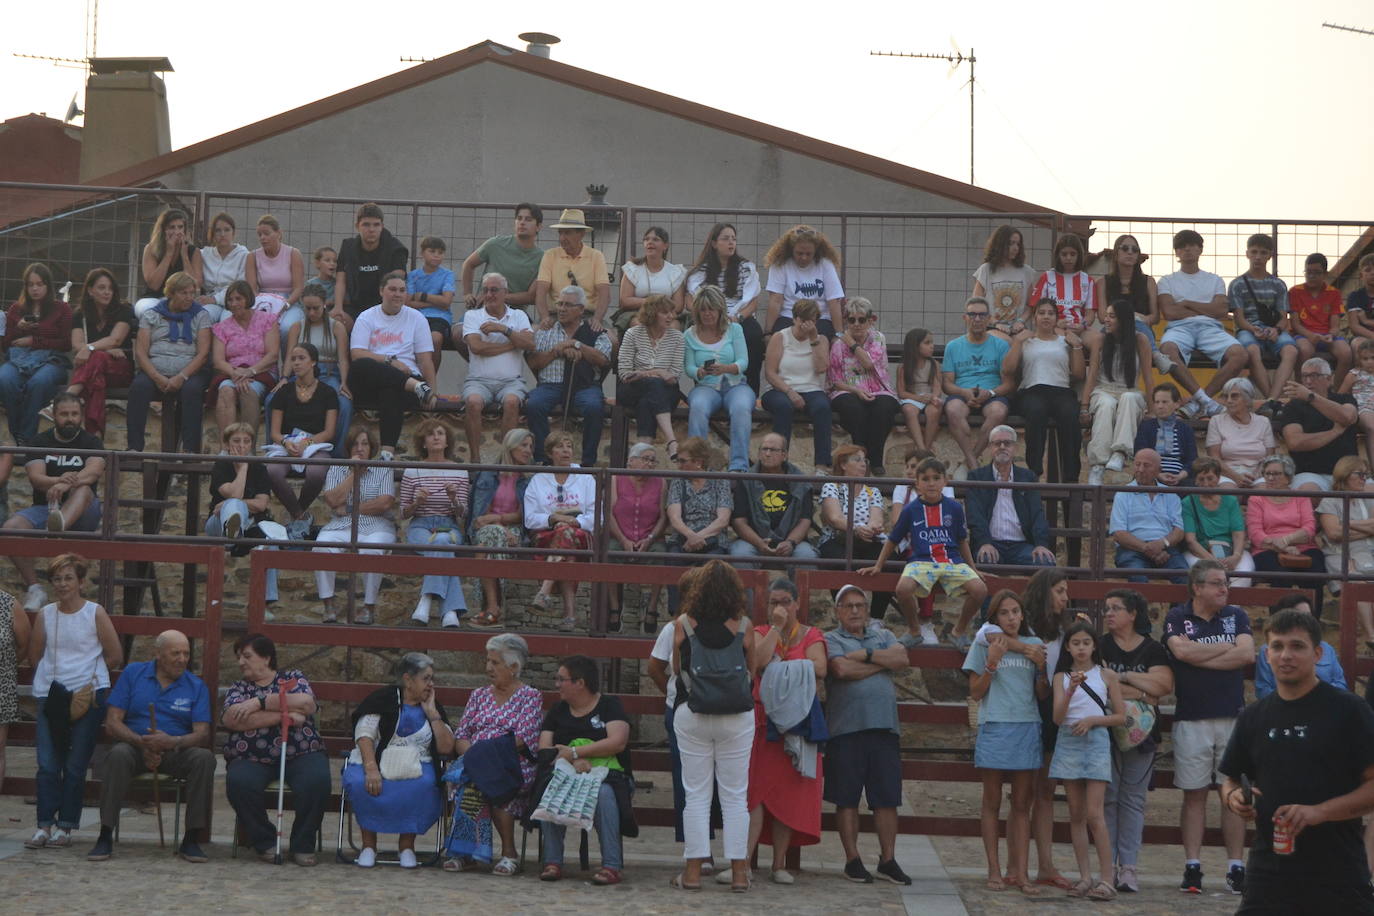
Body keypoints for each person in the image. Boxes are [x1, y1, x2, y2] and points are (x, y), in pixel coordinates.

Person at [1220, 609, 1374, 914]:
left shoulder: (1349, 711)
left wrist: (1320, 812)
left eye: (1297, 646)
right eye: (1277, 646)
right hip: (1268, 872)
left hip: (1337, 872)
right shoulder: (1253, 716)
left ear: (1317, 653)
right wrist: (1234, 798)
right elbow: (1232, 779)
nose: (1285, 655)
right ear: (1266, 654)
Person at [664, 560, 758, 892]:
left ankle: (691, 873)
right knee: (735, 796)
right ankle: (738, 874)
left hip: (694, 713)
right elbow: (752, 672)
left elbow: (677, 672)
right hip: (736, 716)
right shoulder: (745, 625)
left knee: (697, 795)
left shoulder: (682, 625)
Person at [1164, 558, 1253, 895]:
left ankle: (1235, 867)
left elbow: (1246, 654)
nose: (1224, 589)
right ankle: (1193, 866)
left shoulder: (1237, 615)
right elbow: (1181, 652)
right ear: (1197, 588)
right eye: (1217, 583)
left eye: (1226, 583)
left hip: (1231, 717)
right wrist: (1225, 648)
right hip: (1192, 717)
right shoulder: (1177, 616)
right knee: (1194, 795)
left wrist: (1201, 653)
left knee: (1232, 794)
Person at [86, 629, 214, 864]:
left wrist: (172, 742)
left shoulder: (196, 685)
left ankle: (192, 838)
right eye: (175, 653)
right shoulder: (134, 674)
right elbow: (113, 723)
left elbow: (202, 733)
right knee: (117, 755)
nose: (182, 659)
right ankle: (105, 833)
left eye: (186, 653)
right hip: (134, 747)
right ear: (158, 654)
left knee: (204, 758)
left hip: (176, 751)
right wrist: (142, 743)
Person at [24, 553, 121, 851]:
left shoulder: (95, 613)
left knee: (77, 765)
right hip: (51, 695)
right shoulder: (46, 615)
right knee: (47, 764)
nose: (63, 584)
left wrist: (89, 677)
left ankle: (66, 826)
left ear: (80, 582)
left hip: (88, 694)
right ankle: (44, 825)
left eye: (68, 578)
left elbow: (114, 654)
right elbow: (34, 654)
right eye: (57, 579)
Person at [824, 583, 913, 886]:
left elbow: (902, 659)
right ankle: (852, 860)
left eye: (859, 605)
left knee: (887, 798)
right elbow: (841, 671)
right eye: (848, 606)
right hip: (846, 729)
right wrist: (880, 664)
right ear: (837, 611)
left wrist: (866, 654)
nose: (854, 611)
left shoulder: (884, 636)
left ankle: (888, 860)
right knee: (846, 798)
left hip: (884, 727)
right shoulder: (830, 638)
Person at [962, 590, 1047, 896]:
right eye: (1004, 613)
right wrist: (992, 664)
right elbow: (975, 692)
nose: (1011, 618)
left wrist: (1040, 669)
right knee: (991, 802)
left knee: (1023, 804)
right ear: (994, 618)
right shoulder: (985, 644)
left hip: (1026, 725)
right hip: (995, 724)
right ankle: (994, 870)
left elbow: (1042, 695)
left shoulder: (1035, 646)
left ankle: (1021, 873)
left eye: (1015, 611)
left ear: (1023, 614)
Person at [220, 633, 328, 866]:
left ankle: (303, 843)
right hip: (252, 757)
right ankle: (265, 841)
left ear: (266, 657)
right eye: (239, 657)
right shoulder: (239, 688)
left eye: (247, 656)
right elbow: (233, 720)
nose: (241, 662)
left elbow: (307, 704)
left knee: (317, 781)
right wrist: (285, 715)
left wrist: (258, 703)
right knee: (239, 782)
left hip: (300, 751)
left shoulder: (293, 678)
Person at [746, 578, 827, 884]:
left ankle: (779, 863)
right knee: (756, 795)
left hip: (798, 722)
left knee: (788, 795)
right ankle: (745, 863)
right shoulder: (761, 632)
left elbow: (820, 667)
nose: (778, 607)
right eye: (772, 602)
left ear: (796, 604)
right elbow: (757, 662)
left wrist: (779, 670)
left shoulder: (811, 634)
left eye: (783, 602)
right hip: (763, 723)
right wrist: (777, 631)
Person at [860, 456, 987, 649]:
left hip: (951, 560)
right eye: (925, 479)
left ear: (945, 481)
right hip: (921, 561)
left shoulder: (954, 508)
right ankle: (914, 630)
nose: (931, 483)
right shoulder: (911, 509)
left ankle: (958, 631)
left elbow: (962, 539)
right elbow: (893, 539)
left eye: (936, 478)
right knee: (903, 589)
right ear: (917, 484)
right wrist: (879, 565)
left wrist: (973, 568)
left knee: (980, 590)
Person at [344, 652, 454, 868]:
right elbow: (364, 734)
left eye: (432, 679)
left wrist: (432, 712)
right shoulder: (382, 699)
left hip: (418, 762)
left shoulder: (433, 706)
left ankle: (406, 846)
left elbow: (446, 747)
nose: (431, 684)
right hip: (376, 759)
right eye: (426, 678)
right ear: (408, 679)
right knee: (360, 782)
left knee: (424, 784)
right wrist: (371, 767)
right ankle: (368, 845)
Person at [448, 634, 543, 876]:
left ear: (513, 667)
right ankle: (465, 853)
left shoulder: (530, 697)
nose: (488, 667)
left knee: (498, 785)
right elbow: (462, 735)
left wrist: (485, 758)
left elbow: (523, 739)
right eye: (488, 661)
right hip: (475, 761)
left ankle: (509, 854)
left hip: (512, 764)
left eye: (495, 662)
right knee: (470, 781)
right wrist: (475, 758)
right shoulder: (479, 695)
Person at [537, 654, 634, 885]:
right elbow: (545, 748)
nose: (557, 684)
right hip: (566, 775)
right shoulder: (558, 710)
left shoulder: (609, 706)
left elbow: (617, 741)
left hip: (609, 777)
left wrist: (578, 752)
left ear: (580, 683)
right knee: (551, 787)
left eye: (562, 679)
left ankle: (611, 865)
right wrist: (572, 761)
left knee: (603, 794)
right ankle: (552, 861)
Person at [1099, 588, 1173, 894]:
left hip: (1143, 736)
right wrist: (1144, 691)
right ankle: (1108, 867)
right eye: (1106, 608)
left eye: (1116, 608)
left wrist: (1123, 678)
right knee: (1109, 798)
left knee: (1133, 800)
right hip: (1105, 732)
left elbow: (1164, 687)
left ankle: (1128, 867)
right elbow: (1098, 685)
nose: (1108, 613)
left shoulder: (1153, 649)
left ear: (1133, 614)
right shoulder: (1099, 646)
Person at [3, 394, 104, 611]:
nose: (70, 419)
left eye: (74, 414)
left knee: (84, 489)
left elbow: (93, 472)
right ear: (54, 415)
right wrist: (58, 480)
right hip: (47, 508)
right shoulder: (40, 442)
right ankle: (35, 588)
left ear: (81, 416)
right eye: (64, 414)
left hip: (83, 510)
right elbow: (37, 479)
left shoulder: (91, 441)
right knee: (10, 530)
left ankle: (56, 528)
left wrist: (66, 485)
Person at [1049, 622, 1126, 900]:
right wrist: (1071, 689)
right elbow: (1058, 717)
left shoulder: (1106, 675)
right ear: (1068, 647)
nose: (1081, 648)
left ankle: (1107, 879)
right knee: (1076, 813)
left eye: (1086, 643)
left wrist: (1093, 720)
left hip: (1095, 741)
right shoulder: (1061, 677)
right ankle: (1084, 876)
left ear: (1094, 646)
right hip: (1068, 740)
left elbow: (1120, 716)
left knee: (1095, 814)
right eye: (1076, 643)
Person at [349, 270, 441, 457]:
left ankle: (387, 453)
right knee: (360, 365)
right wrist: (390, 361)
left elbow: (425, 359)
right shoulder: (367, 317)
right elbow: (357, 354)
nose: (398, 294)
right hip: (373, 382)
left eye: (402, 290)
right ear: (381, 291)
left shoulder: (416, 318)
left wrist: (432, 391)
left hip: (403, 385)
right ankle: (415, 386)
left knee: (391, 389)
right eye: (392, 289)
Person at [1156, 230, 1243, 419]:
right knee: (1167, 350)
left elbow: (1221, 311)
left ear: (1200, 249)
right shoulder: (1166, 281)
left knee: (1240, 354)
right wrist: (1206, 308)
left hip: (1210, 328)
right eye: (1181, 246)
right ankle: (1206, 402)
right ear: (1176, 252)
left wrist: (1187, 303)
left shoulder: (1215, 279)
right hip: (1179, 328)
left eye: (1192, 245)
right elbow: (1170, 312)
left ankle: (1197, 402)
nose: (1187, 249)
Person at [314, 424, 396, 624]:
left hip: (376, 525)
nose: (360, 448)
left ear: (371, 448)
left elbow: (384, 503)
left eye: (365, 444)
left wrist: (351, 508)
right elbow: (333, 500)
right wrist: (354, 474)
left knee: (372, 551)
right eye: (356, 444)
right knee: (321, 547)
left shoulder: (383, 468)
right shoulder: (337, 467)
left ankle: (368, 607)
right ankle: (329, 605)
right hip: (342, 525)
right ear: (349, 448)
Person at [126, 271, 213, 454]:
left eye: (192, 293)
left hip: (190, 371)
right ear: (171, 293)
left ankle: (190, 449)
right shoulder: (152, 315)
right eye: (184, 293)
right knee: (138, 387)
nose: (189, 298)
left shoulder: (201, 315)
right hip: (155, 370)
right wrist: (157, 377)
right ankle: (134, 447)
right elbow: (141, 353)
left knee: (192, 390)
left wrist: (181, 377)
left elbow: (203, 353)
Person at [524, 285, 611, 468]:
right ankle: (545, 459)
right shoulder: (545, 330)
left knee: (594, 407)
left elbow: (603, 360)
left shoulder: (595, 331)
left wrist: (577, 345)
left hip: (585, 386)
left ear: (580, 310)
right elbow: (533, 363)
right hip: (550, 385)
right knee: (534, 404)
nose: (561, 309)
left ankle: (588, 463)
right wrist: (557, 351)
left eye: (568, 305)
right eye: (559, 304)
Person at [1006, 298, 1084, 482]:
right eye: (1041, 313)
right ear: (1034, 317)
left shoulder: (1065, 341)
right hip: (1032, 390)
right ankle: (1034, 470)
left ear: (1056, 318)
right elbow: (1007, 370)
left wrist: (1077, 346)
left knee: (1069, 414)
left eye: (1050, 313)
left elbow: (1079, 374)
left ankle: (1071, 475)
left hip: (1061, 390)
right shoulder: (1026, 341)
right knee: (1036, 411)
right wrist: (1017, 343)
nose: (1046, 317)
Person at [523, 431, 596, 630]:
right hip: (547, 533)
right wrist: (553, 518)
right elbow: (530, 518)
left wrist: (574, 522)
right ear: (549, 452)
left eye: (569, 446)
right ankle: (570, 615)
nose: (566, 451)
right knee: (566, 543)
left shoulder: (586, 478)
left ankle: (544, 591)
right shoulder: (538, 480)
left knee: (566, 533)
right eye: (560, 446)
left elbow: (597, 516)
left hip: (579, 532)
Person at [400, 420, 469, 629]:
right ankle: (449, 611)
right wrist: (416, 503)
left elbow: (462, 513)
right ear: (423, 443)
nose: (436, 437)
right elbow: (403, 513)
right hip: (420, 526)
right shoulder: (412, 471)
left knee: (442, 540)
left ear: (447, 441)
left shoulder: (460, 472)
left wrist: (453, 499)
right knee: (443, 545)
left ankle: (426, 600)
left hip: (449, 525)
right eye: (431, 434)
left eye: (440, 433)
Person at [207, 423, 282, 611]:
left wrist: (225, 503)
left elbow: (262, 504)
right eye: (236, 441)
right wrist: (242, 470)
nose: (242, 446)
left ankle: (263, 602)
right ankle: (232, 534)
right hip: (217, 526)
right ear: (226, 444)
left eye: (246, 441)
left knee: (271, 541)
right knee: (234, 503)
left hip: (249, 525)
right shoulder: (221, 465)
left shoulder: (259, 468)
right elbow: (235, 493)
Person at [266, 342, 339, 533]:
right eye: (293, 359)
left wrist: (306, 443)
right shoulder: (283, 392)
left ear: (313, 362)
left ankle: (296, 515)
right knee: (272, 471)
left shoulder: (328, 393)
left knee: (316, 473)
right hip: (288, 444)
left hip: (316, 445)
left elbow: (329, 432)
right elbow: (274, 432)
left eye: (301, 358)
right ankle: (301, 516)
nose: (296, 363)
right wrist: (286, 441)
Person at [461, 272, 533, 461]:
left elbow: (529, 343)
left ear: (505, 293)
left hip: (511, 382)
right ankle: (475, 460)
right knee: (473, 402)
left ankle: (505, 459)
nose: (489, 294)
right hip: (479, 381)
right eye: (485, 290)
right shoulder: (473, 315)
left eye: (494, 290)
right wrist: (511, 344)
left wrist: (504, 329)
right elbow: (476, 347)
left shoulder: (518, 316)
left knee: (511, 402)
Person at [467, 429, 534, 629]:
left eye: (530, 446)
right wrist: (499, 526)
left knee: (490, 540)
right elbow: (480, 517)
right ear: (510, 446)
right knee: (492, 535)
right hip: (487, 529)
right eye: (524, 445)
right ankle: (496, 607)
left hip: (514, 531)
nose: (528, 451)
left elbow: (522, 516)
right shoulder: (488, 474)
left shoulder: (527, 478)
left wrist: (498, 519)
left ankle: (489, 607)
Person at [686, 222, 764, 391]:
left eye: (734, 239)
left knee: (754, 334)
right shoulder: (701, 271)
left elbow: (753, 301)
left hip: (738, 317)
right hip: (709, 317)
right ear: (714, 243)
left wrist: (738, 317)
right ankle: (704, 386)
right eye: (726, 239)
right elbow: (690, 300)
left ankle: (750, 390)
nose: (731, 243)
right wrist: (706, 315)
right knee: (695, 336)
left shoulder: (745, 268)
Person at [966, 425, 1057, 569]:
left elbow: (1037, 514)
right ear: (990, 448)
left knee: (1045, 562)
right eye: (997, 443)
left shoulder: (1027, 477)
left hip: (1022, 546)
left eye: (1007, 443)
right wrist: (984, 542)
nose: (1002, 447)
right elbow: (975, 516)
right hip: (991, 543)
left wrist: (1040, 545)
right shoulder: (977, 477)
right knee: (985, 559)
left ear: (1015, 448)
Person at [1082, 299, 1153, 485]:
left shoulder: (1140, 340)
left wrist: (1151, 409)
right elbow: (1092, 374)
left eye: (1112, 316)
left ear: (1124, 319)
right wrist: (1084, 406)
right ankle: (1098, 464)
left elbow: (1148, 377)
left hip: (1130, 390)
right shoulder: (1101, 339)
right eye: (1106, 316)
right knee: (1106, 404)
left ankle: (1120, 452)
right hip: (1103, 389)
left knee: (1129, 398)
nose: (1106, 320)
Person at [1, 263, 73, 446]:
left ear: (48, 285)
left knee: (38, 383)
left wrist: (34, 340)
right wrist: (18, 328)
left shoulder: (61, 309)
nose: (34, 289)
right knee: (5, 379)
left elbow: (65, 343)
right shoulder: (16, 309)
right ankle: (17, 434)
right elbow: (5, 343)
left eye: (39, 284)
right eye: (30, 284)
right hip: (19, 359)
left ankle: (26, 436)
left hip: (52, 360)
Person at [684, 285, 753, 471]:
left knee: (741, 408)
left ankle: (739, 466)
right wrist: (699, 371)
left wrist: (726, 368)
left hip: (736, 384)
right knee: (698, 407)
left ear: (720, 309)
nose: (707, 314)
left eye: (711, 309)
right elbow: (688, 367)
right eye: (703, 309)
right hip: (706, 387)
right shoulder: (689, 335)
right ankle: (696, 463)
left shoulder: (735, 329)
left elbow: (743, 361)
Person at [728, 433, 819, 573]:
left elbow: (804, 520)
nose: (768, 454)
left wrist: (790, 543)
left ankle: (798, 596)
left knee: (806, 556)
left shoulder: (801, 482)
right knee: (741, 556)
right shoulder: (746, 480)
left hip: (791, 541)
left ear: (784, 455)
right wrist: (759, 543)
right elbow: (739, 521)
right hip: (753, 540)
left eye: (773, 450)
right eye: (764, 449)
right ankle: (747, 596)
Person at [941, 296, 1012, 475]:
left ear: (989, 318)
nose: (977, 319)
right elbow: (947, 384)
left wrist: (989, 392)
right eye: (972, 314)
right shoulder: (953, 346)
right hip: (962, 392)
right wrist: (964, 393)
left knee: (998, 412)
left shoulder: (1001, 346)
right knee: (953, 410)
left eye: (982, 315)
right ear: (965, 318)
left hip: (991, 393)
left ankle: (969, 460)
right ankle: (974, 465)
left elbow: (1009, 383)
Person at [828, 297, 899, 475]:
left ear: (870, 320)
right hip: (847, 389)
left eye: (862, 320)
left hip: (878, 387)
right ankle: (860, 454)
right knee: (853, 408)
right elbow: (834, 381)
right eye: (852, 320)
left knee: (884, 407)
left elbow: (868, 363)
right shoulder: (837, 345)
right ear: (846, 320)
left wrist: (851, 343)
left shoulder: (877, 338)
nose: (857, 324)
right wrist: (857, 390)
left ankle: (875, 461)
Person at [759, 298, 832, 469]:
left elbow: (822, 368)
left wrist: (814, 339)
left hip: (811, 388)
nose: (806, 325)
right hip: (780, 389)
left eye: (811, 320)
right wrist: (790, 392)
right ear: (795, 319)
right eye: (803, 320)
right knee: (784, 407)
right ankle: (778, 462)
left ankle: (822, 466)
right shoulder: (780, 337)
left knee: (823, 407)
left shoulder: (821, 339)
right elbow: (770, 373)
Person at [818, 446, 890, 617]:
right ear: (843, 465)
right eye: (857, 460)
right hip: (839, 539)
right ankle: (845, 615)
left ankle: (876, 619)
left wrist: (871, 528)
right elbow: (835, 518)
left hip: (867, 539)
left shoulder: (873, 491)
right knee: (838, 562)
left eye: (864, 460)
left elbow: (877, 518)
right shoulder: (832, 486)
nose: (863, 464)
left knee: (889, 561)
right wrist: (857, 528)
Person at [1229, 233, 1299, 409]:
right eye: (1254, 252)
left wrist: (1276, 329)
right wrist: (1253, 329)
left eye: (1263, 252)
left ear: (1270, 255)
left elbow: (1284, 317)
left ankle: (1270, 400)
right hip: (1248, 329)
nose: (1258, 257)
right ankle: (1272, 401)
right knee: (1252, 349)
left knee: (1290, 350)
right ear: (1247, 254)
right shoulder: (1237, 284)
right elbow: (1239, 318)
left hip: (1273, 328)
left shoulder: (1278, 284)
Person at [282, 285, 353, 456]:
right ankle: (278, 449)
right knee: (272, 400)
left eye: (316, 308)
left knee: (344, 404)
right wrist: (284, 378)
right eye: (308, 308)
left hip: (329, 373)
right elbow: (289, 357)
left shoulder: (336, 327)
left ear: (324, 305)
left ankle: (338, 455)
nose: (312, 313)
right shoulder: (297, 327)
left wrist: (344, 382)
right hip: (301, 373)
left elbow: (343, 358)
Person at [1248, 454, 1326, 610]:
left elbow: (1309, 528)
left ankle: (1312, 625)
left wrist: (1286, 541)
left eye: (1276, 474)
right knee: (1280, 574)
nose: (1270, 478)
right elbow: (1256, 534)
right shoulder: (1256, 499)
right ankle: (1279, 627)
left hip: (1303, 548)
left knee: (1316, 573)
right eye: (1267, 474)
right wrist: (1282, 547)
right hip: (1267, 549)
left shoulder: (1300, 497)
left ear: (1289, 477)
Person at [665, 437, 733, 612]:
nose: (679, 465)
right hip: (684, 538)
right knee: (673, 561)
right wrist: (690, 535)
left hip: (712, 538)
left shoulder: (720, 481)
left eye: (683, 461)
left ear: (698, 462)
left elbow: (723, 519)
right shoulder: (678, 482)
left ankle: (709, 612)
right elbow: (675, 517)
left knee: (714, 568)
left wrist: (699, 537)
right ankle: (677, 613)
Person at [65, 267, 134, 435]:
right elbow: (76, 345)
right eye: (101, 288)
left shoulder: (124, 310)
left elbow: (115, 340)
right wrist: (105, 349)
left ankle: (66, 398)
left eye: (110, 288)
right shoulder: (79, 315)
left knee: (96, 357)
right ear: (90, 290)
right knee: (96, 381)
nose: (107, 292)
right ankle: (95, 438)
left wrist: (90, 348)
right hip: (95, 372)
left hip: (120, 370)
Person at [616, 294, 685, 461]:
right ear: (652, 314)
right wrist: (658, 372)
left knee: (647, 402)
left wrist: (645, 372)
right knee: (653, 384)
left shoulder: (677, 337)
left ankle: (641, 458)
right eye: (665, 312)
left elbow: (674, 375)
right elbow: (625, 373)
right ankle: (671, 441)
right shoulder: (632, 334)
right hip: (632, 388)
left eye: (672, 312)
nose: (671, 317)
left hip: (666, 391)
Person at [606, 442, 666, 633]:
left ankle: (652, 608)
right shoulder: (616, 479)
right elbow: (609, 513)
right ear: (631, 461)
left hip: (649, 536)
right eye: (645, 459)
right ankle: (615, 607)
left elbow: (663, 517)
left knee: (661, 555)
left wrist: (649, 538)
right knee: (611, 553)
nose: (650, 464)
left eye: (652, 460)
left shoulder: (661, 482)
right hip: (621, 534)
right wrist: (624, 540)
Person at [1317, 456, 1374, 649]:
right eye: (1359, 474)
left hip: (1366, 553)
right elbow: (1333, 533)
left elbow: (1340, 530)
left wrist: (1347, 525)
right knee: (1355, 581)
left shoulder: (1367, 500)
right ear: (1345, 474)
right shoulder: (1330, 500)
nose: (1363, 479)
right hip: (1339, 554)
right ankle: (1370, 635)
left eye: (1366, 475)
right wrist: (1366, 528)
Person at [210, 280, 279, 435]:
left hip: (262, 371)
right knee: (226, 390)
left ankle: (248, 452)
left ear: (248, 298)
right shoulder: (222, 327)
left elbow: (273, 354)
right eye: (230, 299)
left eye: (238, 298)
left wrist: (250, 372)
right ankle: (226, 450)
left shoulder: (268, 320)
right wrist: (236, 374)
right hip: (232, 373)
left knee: (247, 390)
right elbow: (218, 361)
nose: (234, 303)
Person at [1281, 356, 1359, 491]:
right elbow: (1295, 443)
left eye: (1314, 376)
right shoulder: (1293, 407)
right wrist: (1334, 432)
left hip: (1349, 472)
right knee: (1309, 491)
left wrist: (1311, 397)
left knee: (1370, 493)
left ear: (1329, 379)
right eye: (1304, 376)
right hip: (1310, 473)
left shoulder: (1345, 399)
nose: (1308, 381)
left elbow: (1347, 417)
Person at [1109, 449, 1187, 582]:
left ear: (1158, 470)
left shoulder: (1170, 495)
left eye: (1146, 465)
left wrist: (1162, 544)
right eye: (1137, 464)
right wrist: (1147, 549)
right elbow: (1119, 533)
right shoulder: (1123, 494)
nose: (1140, 469)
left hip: (1165, 549)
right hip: (1132, 549)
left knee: (1185, 579)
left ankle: (1179, 604)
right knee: (1138, 578)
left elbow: (1179, 531)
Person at [1255, 594, 1347, 699]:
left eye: (1308, 615)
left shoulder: (1327, 649)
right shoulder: (1267, 650)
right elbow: (1263, 690)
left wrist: (1317, 698)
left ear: (1317, 653)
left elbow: (1341, 685)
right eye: (1297, 615)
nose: (1286, 656)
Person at [533, 209, 611, 332]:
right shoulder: (550, 255)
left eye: (567, 233)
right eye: (560, 233)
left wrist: (597, 319)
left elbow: (604, 293)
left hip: (587, 315)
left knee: (612, 341)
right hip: (556, 314)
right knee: (533, 337)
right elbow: (540, 292)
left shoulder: (596, 256)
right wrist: (545, 318)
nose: (562, 238)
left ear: (581, 234)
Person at [333, 202, 408, 328]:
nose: (371, 229)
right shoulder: (348, 247)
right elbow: (341, 280)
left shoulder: (396, 248)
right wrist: (338, 308)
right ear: (357, 226)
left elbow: (396, 282)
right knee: (338, 322)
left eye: (376, 225)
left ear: (382, 226)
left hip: (384, 307)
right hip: (354, 306)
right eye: (366, 225)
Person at [460, 204, 543, 316]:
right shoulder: (495, 244)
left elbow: (531, 296)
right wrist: (467, 294)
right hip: (483, 308)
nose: (522, 222)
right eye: (519, 218)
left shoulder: (542, 258)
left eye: (528, 219)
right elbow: (469, 264)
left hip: (515, 314)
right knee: (458, 332)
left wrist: (497, 297)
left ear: (538, 226)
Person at [1182, 457, 1254, 586]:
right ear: (1195, 481)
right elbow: (1191, 540)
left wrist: (1236, 556)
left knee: (1244, 573)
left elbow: (1238, 533)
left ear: (1218, 478)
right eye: (1201, 479)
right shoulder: (1188, 503)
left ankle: (1232, 606)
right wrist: (1212, 560)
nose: (1206, 484)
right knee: (1204, 575)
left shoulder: (1230, 501)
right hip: (1201, 552)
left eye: (1210, 478)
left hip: (1230, 551)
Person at [763, 224, 844, 338]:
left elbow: (834, 302)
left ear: (815, 251)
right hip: (789, 317)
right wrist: (768, 332)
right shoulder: (780, 264)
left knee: (823, 340)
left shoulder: (825, 265)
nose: (804, 257)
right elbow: (775, 300)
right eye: (799, 253)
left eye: (808, 254)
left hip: (820, 319)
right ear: (792, 250)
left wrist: (839, 334)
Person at [1290, 252, 1353, 384]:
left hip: (1326, 336)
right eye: (1308, 272)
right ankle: (1301, 389)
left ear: (1325, 274)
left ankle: (1335, 391)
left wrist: (1330, 335)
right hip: (1303, 335)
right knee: (1305, 350)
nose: (1311, 276)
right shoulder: (1295, 291)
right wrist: (1311, 335)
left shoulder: (1334, 293)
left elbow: (1335, 326)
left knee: (1346, 352)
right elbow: (1295, 324)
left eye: (1316, 272)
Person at [134, 208, 205, 318]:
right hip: (155, 297)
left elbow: (196, 285)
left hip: (184, 300)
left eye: (180, 227)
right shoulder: (151, 249)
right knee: (147, 310)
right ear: (163, 230)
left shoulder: (194, 251)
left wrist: (184, 255)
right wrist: (169, 253)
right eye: (172, 227)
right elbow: (154, 285)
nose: (177, 232)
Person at [972, 224, 1039, 340]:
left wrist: (1021, 321)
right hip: (991, 328)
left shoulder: (1026, 271)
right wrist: (996, 323)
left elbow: (1031, 305)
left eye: (1018, 244)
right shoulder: (986, 270)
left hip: (1018, 329)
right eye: (1011, 243)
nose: (1015, 248)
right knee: (1004, 342)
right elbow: (976, 305)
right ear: (1000, 244)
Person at [615, 225, 686, 334]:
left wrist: (660, 311)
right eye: (646, 239)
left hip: (667, 314)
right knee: (639, 326)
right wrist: (654, 303)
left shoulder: (675, 272)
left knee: (673, 328)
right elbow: (625, 300)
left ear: (665, 246)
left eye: (655, 239)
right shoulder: (633, 269)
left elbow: (678, 305)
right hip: (638, 312)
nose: (650, 242)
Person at [1206, 377, 1274, 487]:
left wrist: (1257, 475)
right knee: (1228, 491)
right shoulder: (1217, 421)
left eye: (1234, 396)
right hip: (1227, 474)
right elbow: (1214, 458)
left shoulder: (1263, 422)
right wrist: (1236, 476)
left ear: (1247, 400)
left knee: (1264, 490)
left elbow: (1269, 457)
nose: (1228, 400)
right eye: (1226, 396)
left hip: (1258, 475)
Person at [1096, 233, 1159, 352]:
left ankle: (1154, 355)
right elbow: (1102, 316)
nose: (1130, 252)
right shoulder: (1102, 282)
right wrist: (1126, 318)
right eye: (1125, 248)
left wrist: (1138, 318)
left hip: (1141, 330)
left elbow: (1155, 317)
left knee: (1136, 326)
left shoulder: (1149, 281)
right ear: (1116, 254)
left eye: (1135, 250)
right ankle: (1155, 354)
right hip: (1113, 330)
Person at [1030, 233, 1097, 341]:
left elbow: (1090, 314)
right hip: (1054, 327)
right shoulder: (1047, 277)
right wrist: (1054, 323)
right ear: (1058, 255)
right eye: (1064, 254)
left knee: (1097, 339)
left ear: (1079, 255)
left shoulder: (1088, 280)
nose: (1068, 258)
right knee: (1065, 340)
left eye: (1073, 254)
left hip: (1079, 328)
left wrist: (1082, 325)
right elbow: (1035, 309)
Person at [405, 236, 456, 367]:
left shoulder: (447, 275)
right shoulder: (413, 276)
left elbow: (446, 302)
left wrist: (422, 296)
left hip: (439, 316)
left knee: (435, 339)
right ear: (422, 253)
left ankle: (430, 379)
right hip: (416, 316)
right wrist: (435, 301)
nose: (436, 255)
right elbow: (408, 303)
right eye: (432, 251)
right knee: (409, 340)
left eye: (440, 252)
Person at [245, 214, 304, 324]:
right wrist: (261, 304)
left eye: (267, 233)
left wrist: (285, 305)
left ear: (278, 233)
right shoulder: (252, 256)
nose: (262, 237)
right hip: (263, 301)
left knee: (286, 328)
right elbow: (251, 289)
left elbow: (299, 288)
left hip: (289, 302)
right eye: (259, 234)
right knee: (260, 326)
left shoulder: (293, 254)